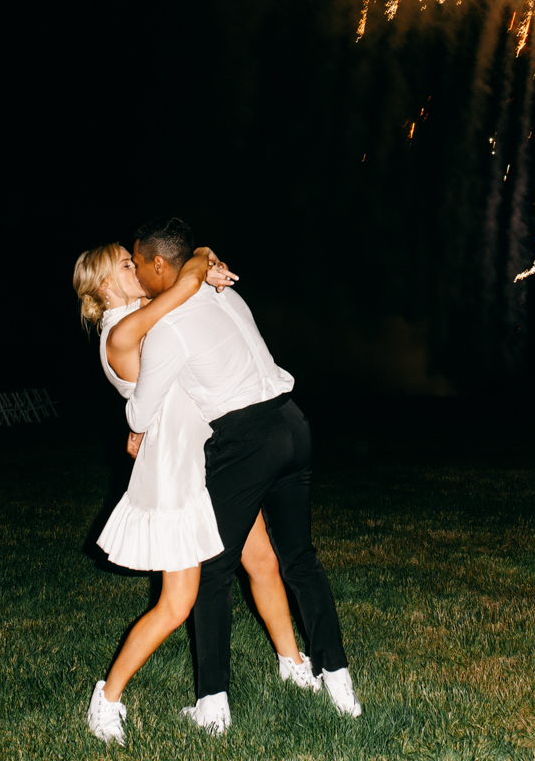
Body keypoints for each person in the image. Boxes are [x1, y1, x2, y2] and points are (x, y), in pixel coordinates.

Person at [72, 243, 317, 746]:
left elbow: (189, 274)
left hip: (212, 458)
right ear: (103, 286)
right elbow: (182, 286)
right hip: (177, 472)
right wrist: (197, 269)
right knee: (177, 603)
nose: (138, 268)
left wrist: (206, 260)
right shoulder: (119, 333)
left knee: (262, 560)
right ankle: (107, 698)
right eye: (126, 264)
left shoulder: (143, 312)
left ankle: (293, 664)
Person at [126, 216, 361, 735]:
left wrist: (137, 426)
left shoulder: (168, 326)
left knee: (212, 568)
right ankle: (337, 679)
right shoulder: (224, 293)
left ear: (158, 263)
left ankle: (213, 705)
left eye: (138, 262)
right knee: (299, 557)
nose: (138, 272)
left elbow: (141, 413)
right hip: (293, 423)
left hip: (248, 438)